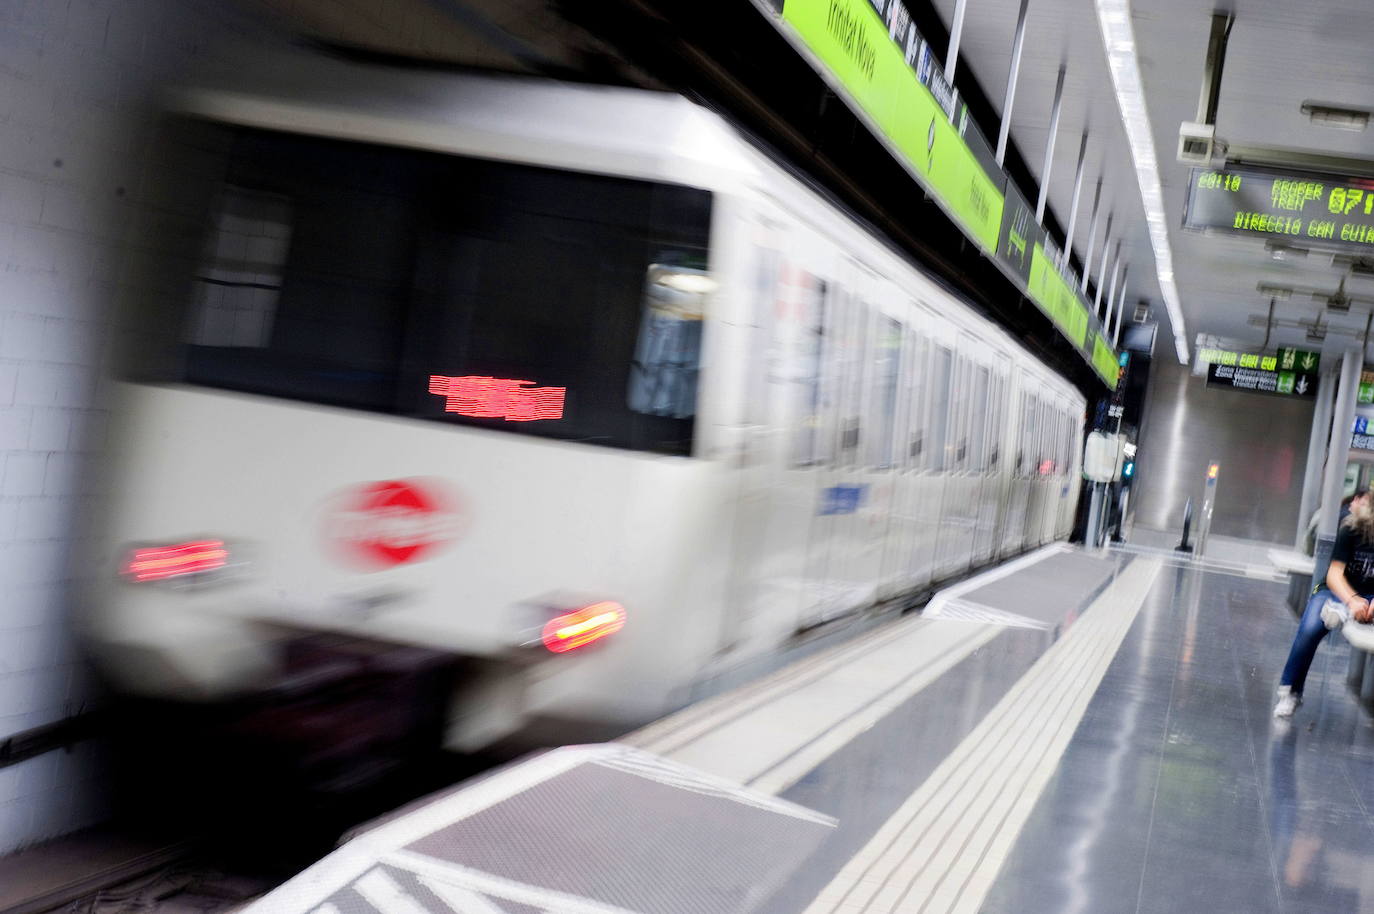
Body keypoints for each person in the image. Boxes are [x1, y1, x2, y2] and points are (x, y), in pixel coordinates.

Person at [1275, 490, 1374, 718]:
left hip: (1370, 597)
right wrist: (1352, 600)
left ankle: (1344, 613)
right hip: (1337, 591)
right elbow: (1334, 575)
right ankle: (1290, 691)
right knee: (1310, 627)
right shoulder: (1352, 528)